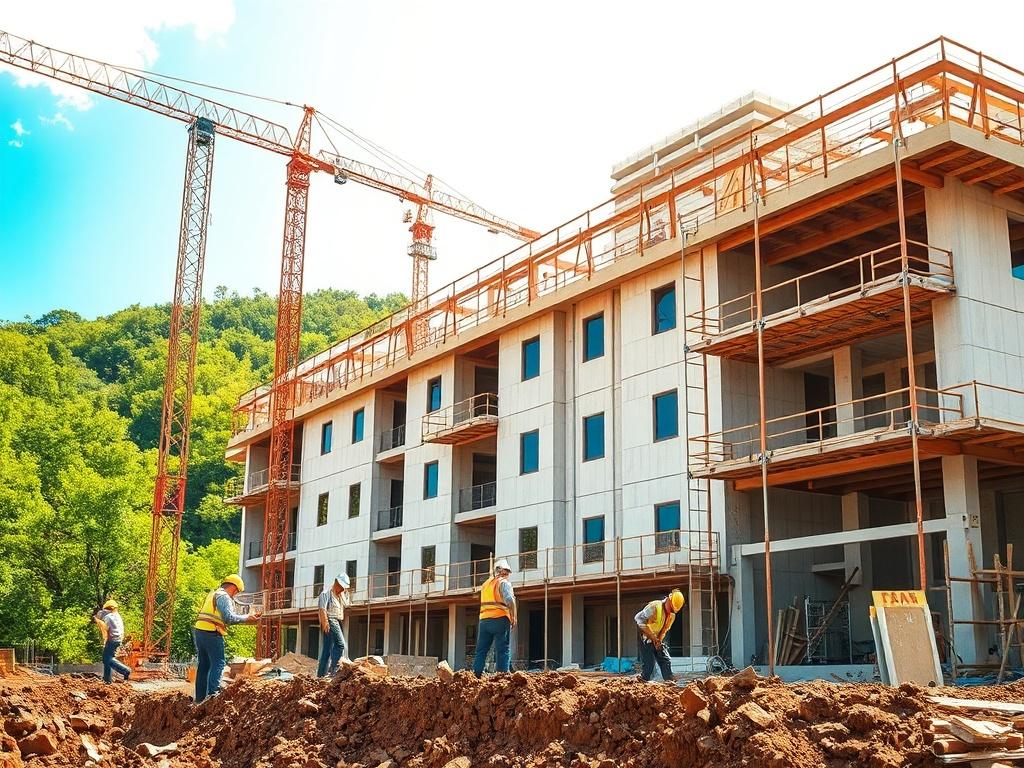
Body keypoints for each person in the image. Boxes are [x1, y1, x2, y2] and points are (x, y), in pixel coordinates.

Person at [193, 574, 262, 703]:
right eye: (236, 592)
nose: (235, 595)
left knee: (204, 665)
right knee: (218, 662)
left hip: (199, 631)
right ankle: (213, 695)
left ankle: (200, 698)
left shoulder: (212, 594)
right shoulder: (224, 596)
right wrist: (247, 618)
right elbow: (228, 618)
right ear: (234, 588)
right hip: (212, 631)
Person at [472, 559, 517, 677]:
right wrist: (513, 616)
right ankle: (502, 676)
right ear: (504, 571)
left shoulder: (485, 584)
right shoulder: (504, 583)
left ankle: (476, 675)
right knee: (502, 649)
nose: (507, 575)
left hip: (484, 621)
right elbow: (510, 600)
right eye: (507, 572)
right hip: (500, 619)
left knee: (481, 650)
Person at [634, 588, 685, 682]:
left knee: (665, 660)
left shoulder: (671, 615)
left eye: (674, 610)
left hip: (657, 638)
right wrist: (652, 637)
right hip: (645, 637)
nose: (672, 611)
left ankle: (669, 681)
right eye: (671, 608)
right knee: (649, 664)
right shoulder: (654, 606)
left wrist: (659, 641)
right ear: (668, 600)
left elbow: (664, 629)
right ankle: (642, 681)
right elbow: (638, 619)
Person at [317, 572, 351, 677]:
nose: (342, 589)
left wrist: (345, 593)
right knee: (340, 644)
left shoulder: (340, 596)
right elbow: (322, 609)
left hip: (338, 621)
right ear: (336, 582)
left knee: (327, 649)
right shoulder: (326, 593)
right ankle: (334, 670)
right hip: (330, 620)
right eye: (342, 587)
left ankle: (321, 675)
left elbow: (347, 604)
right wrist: (325, 622)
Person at [92, 600, 131, 684]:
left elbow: (105, 627)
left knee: (107, 659)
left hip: (112, 640)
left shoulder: (108, 617)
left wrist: (96, 618)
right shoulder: (117, 615)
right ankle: (107, 680)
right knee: (107, 658)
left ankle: (125, 670)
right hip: (118, 639)